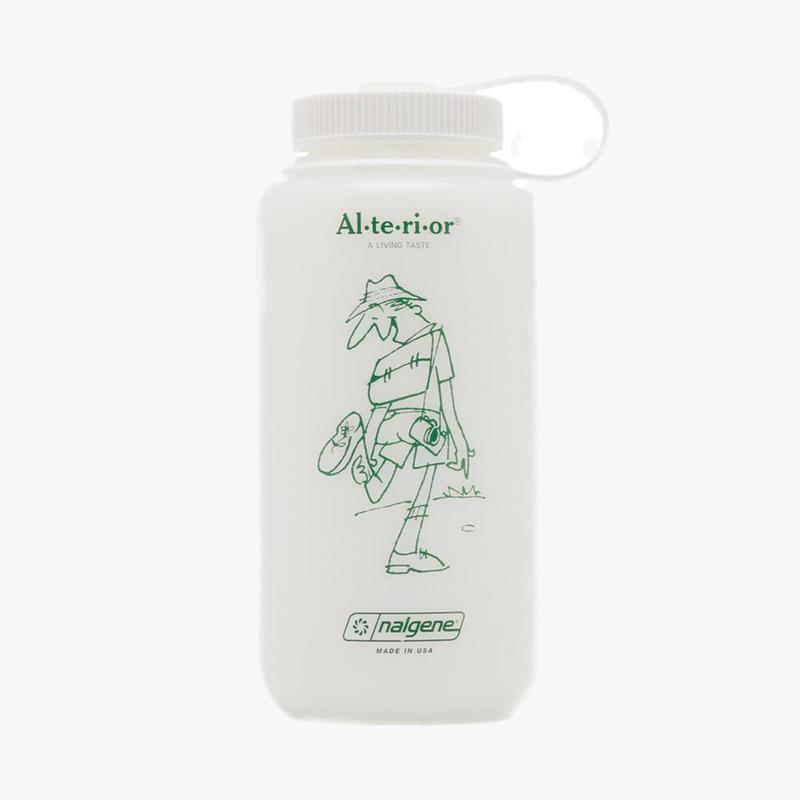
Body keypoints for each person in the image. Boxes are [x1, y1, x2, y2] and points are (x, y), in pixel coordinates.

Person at [318, 274, 473, 574]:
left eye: (377, 319)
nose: (380, 329)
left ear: (393, 308)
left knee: (376, 489)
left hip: (394, 426)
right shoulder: (433, 340)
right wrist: (459, 441)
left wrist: (367, 447)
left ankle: (402, 554)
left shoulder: (392, 358)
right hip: (423, 426)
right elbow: (447, 397)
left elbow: (381, 408)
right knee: (422, 488)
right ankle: (405, 553)